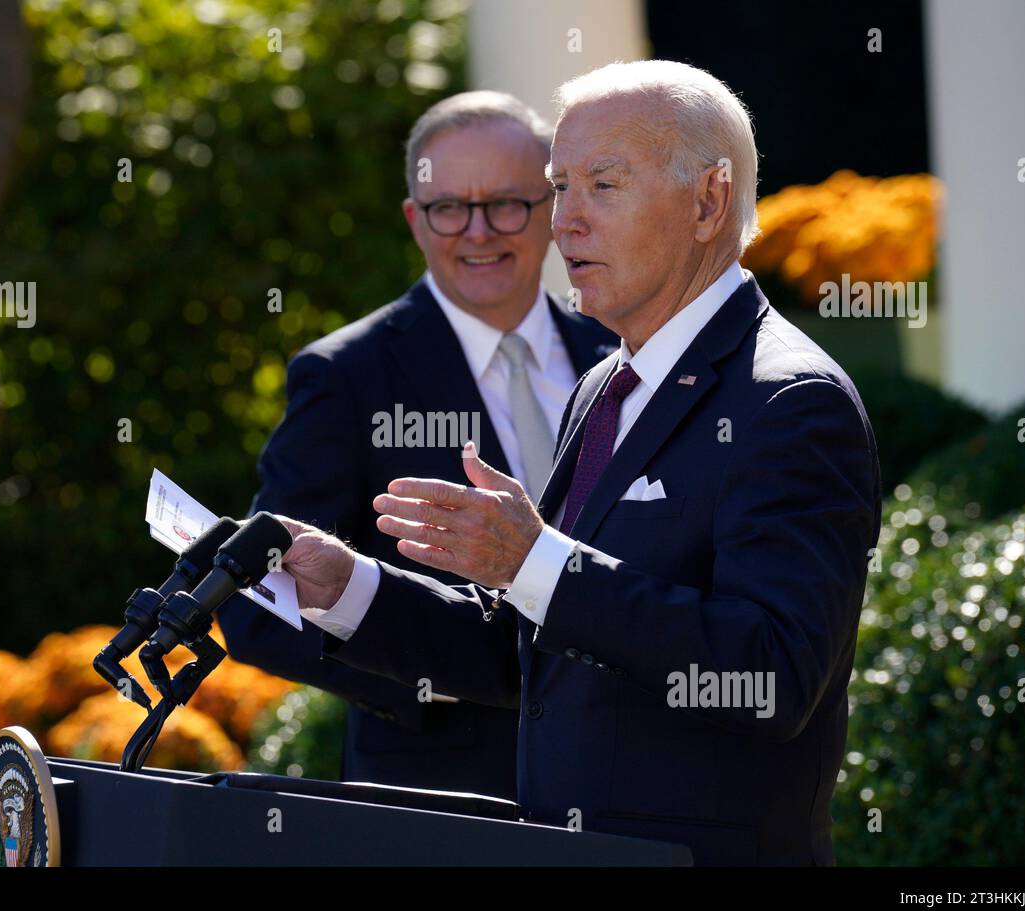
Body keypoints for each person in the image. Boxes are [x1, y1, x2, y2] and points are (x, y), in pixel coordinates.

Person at [277, 61, 882, 865]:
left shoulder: (788, 400)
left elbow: (770, 677)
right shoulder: (606, 385)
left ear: (708, 201)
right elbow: (540, 651)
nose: (565, 222)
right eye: (561, 187)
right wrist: (349, 587)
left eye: (603, 184)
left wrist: (538, 563)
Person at [217, 91, 616, 799]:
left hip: (620, 776)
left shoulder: (621, 356)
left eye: (506, 204)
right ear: (414, 218)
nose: (478, 231)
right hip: (438, 791)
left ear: (552, 211)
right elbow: (256, 608)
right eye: (448, 208)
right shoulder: (347, 375)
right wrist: (439, 679)